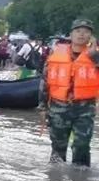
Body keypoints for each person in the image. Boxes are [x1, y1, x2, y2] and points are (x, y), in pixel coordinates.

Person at [38, 18, 99, 167]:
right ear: (70, 35)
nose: (81, 34)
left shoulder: (95, 56)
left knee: (82, 144)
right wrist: (43, 107)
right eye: (78, 31)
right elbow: (45, 82)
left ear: (91, 36)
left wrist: (94, 56)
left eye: (86, 32)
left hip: (85, 108)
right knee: (58, 146)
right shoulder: (55, 53)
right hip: (58, 107)